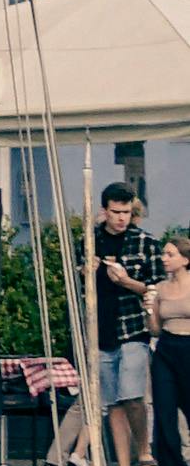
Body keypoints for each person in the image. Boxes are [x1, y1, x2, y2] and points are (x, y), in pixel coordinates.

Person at [95, 186, 152, 445]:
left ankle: (144, 453)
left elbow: (155, 290)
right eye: (116, 212)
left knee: (132, 395)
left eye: (126, 212)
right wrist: (87, 270)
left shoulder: (145, 242)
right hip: (101, 329)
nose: (121, 218)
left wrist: (127, 282)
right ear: (104, 211)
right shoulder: (91, 242)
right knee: (111, 403)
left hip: (133, 328)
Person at [151, 236, 190, 466]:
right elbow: (155, 328)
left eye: (170, 254)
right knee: (165, 407)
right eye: (164, 254)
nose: (164, 259)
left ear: (185, 260)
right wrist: (149, 310)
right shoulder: (161, 288)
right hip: (166, 346)